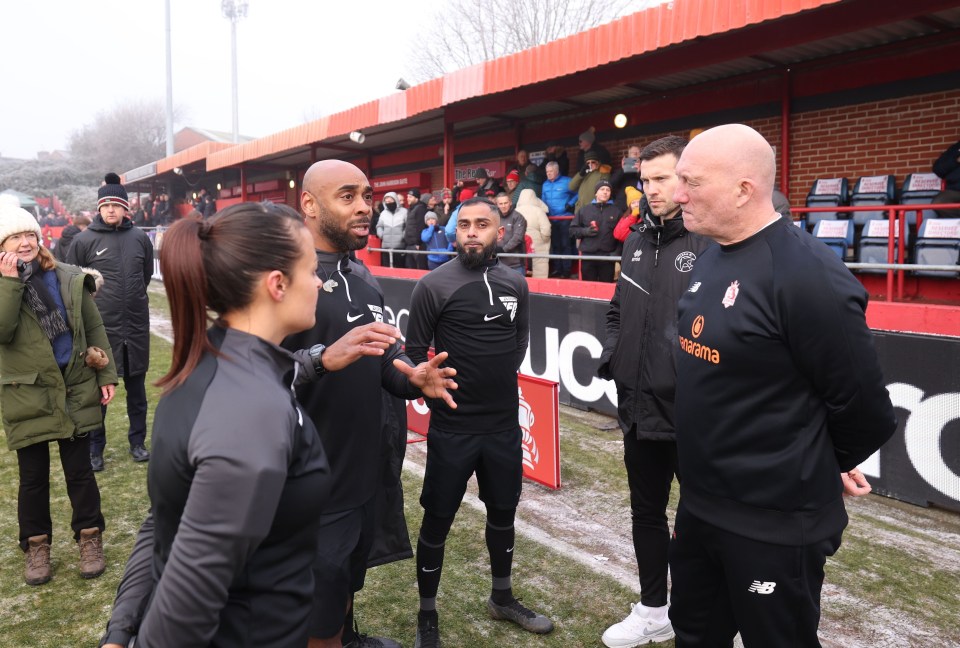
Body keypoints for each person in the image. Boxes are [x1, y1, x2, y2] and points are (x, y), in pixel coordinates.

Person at [668, 124, 897, 647]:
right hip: (700, 508)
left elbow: (866, 410)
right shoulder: (711, 254)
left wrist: (814, 460)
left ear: (744, 189)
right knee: (694, 636)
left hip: (771, 526)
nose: (679, 194)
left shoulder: (807, 276)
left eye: (691, 182)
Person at [100, 203, 333, 647]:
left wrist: (122, 626)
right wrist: (125, 629)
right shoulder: (249, 408)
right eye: (313, 270)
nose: (319, 282)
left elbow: (166, 521)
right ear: (278, 284)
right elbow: (186, 606)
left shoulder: (213, 364)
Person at [286, 160, 458, 648]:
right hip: (312, 478)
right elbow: (252, 367)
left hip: (365, 469)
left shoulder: (361, 273)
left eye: (366, 195)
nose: (365, 206)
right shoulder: (283, 276)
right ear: (310, 204)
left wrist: (412, 377)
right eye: (348, 196)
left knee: (344, 579)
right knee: (314, 600)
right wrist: (321, 358)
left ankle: (347, 636)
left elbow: (381, 357)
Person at [405, 197, 552, 648]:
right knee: (438, 519)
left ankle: (502, 597)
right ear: (455, 231)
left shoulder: (516, 283)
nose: (471, 231)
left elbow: (518, 342)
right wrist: (429, 383)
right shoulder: (433, 285)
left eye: (482, 224)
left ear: (500, 230)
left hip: (503, 425)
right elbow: (413, 356)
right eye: (464, 224)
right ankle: (427, 614)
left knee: (503, 512)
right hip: (454, 428)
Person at [597, 136, 713, 647]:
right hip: (638, 405)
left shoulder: (709, 239)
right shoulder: (637, 237)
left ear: (686, 178)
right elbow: (619, 306)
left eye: (661, 178)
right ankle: (653, 609)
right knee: (646, 513)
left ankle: (702, 613)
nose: (651, 189)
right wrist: (615, 357)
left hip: (694, 413)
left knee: (702, 519)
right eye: (644, 180)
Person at [0, 204, 117, 587]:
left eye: (29, 235)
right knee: (33, 478)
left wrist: (107, 372)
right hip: (26, 391)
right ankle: (37, 547)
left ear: (39, 238)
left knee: (80, 473)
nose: (24, 243)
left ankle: (89, 539)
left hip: (75, 384)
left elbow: (94, 326)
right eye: (14, 237)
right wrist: (10, 283)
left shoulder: (67, 276)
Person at [66, 173, 153, 471]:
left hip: (137, 328)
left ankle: (138, 442)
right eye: (106, 205)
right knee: (99, 394)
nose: (111, 210)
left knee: (137, 391)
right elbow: (71, 285)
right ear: (99, 208)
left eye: (117, 205)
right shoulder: (83, 241)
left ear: (126, 208)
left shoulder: (140, 238)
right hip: (102, 332)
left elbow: (145, 277)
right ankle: (95, 449)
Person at [570, 179, 621, 282]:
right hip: (588, 256)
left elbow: (622, 236)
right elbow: (572, 230)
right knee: (588, 290)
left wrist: (617, 252)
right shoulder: (584, 210)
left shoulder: (616, 211)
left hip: (608, 257)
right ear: (596, 193)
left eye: (608, 190)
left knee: (606, 290)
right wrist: (585, 231)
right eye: (602, 189)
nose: (605, 192)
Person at [541, 160, 577, 278]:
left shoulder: (567, 181)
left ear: (557, 171)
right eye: (547, 172)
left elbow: (578, 193)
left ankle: (566, 270)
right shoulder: (545, 184)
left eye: (551, 171)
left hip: (565, 218)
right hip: (551, 219)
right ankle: (557, 269)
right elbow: (543, 200)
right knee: (555, 245)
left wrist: (570, 204)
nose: (549, 174)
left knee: (565, 244)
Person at [516, 188, 553, 278]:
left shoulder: (516, 211)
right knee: (540, 264)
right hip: (537, 241)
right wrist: (545, 239)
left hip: (519, 241)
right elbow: (546, 228)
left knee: (518, 263)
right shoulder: (538, 210)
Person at [494, 192, 528, 274]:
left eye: (505, 203)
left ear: (510, 202)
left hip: (516, 264)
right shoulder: (494, 217)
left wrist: (503, 250)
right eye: (501, 203)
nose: (503, 206)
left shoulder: (518, 217)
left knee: (517, 287)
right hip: (498, 263)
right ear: (497, 205)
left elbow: (517, 238)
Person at [570, 148, 612, 213]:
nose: (590, 164)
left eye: (593, 162)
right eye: (588, 163)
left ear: (598, 163)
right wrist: (580, 174)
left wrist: (603, 169)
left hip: (593, 210)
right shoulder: (583, 174)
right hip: (580, 210)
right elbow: (571, 187)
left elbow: (606, 182)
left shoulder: (602, 173)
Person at [375, 191, 407, 268]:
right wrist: (382, 235)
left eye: (390, 201)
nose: (388, 203)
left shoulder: (404, 212)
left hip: (400, 247)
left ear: (395, 200)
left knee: (400, 269)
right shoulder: (383, 213)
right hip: (386, 247)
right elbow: (379, 226)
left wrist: (403, 236)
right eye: (386, 202)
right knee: (386, 268)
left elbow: (407, 226)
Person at [932, 138, 960, 217]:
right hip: (955, 191)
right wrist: (956, 160)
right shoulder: (955, 149)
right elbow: (938, 169)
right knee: (938, 203)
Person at [404, 188, 429, 270]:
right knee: (410, 269)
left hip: (416, 245)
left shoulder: (420, 208)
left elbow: (420, 226)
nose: (408, 199)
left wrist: (418, 243)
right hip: (409, 244)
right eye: (407, 197)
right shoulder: (410, 209)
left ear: (416, 198)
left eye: (410, 197)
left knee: (419, 268)